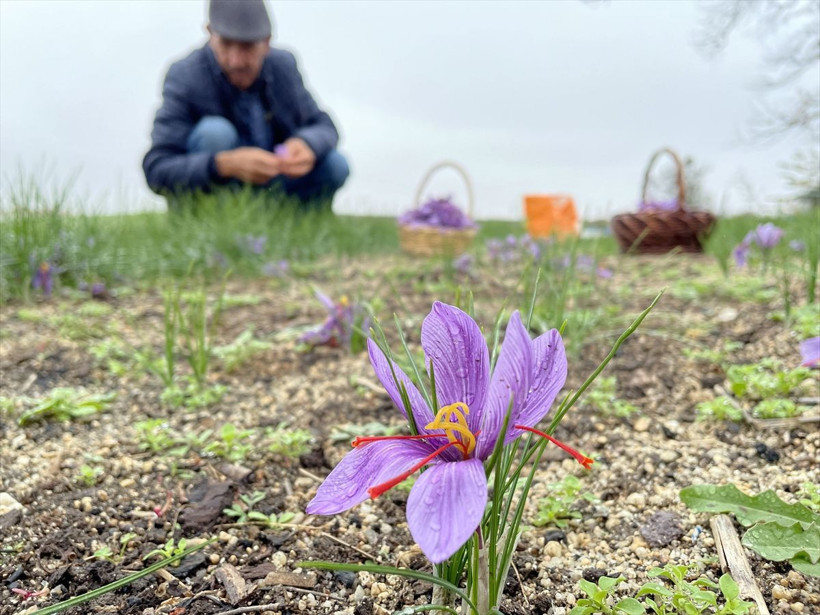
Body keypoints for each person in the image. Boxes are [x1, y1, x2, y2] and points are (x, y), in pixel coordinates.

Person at [143, 0, 349, 208]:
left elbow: (323, 125)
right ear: (209, 33)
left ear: (267, 42)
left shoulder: (283, 66)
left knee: (335, 164)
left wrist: (307, 143)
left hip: (275, 184)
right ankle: (208, 226)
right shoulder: (185, 76)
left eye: (246, 47)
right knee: (215, 133)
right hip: (218, 190)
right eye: (225, 44)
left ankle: (300, 226)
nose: (236, 61)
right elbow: (157, 169)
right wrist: (221, 165)